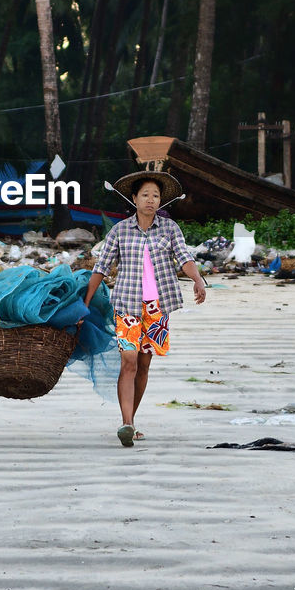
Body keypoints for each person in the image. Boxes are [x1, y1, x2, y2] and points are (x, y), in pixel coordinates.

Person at [83, 170, 207, 447]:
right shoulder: (119, 231)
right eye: (145, 195)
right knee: (129, 360)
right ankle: (125, 423)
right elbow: (101, 267)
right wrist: (87, 301)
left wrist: (198, 280)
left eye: (156, 196)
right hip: (126, 304)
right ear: (134, 199)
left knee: (143, 366)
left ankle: (132, 421)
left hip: (157, 308)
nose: (151, 200)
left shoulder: (170, 229)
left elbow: (184, 258)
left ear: (161, 201)